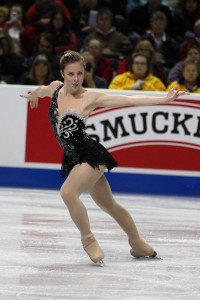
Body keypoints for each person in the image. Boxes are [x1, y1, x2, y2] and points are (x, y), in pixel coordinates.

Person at [20, 50, 188, 265]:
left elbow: (128, 100)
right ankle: (137, 243)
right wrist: (33, 95)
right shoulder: (55, 89)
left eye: (80, 73)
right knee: (109, 205)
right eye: (71, 74)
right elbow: (43, 90)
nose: (76, 79)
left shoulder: (90, 97)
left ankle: (88, 239)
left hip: (91, 156)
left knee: (68, 193)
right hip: (75, 159)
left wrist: (164, 99)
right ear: (62, 73)